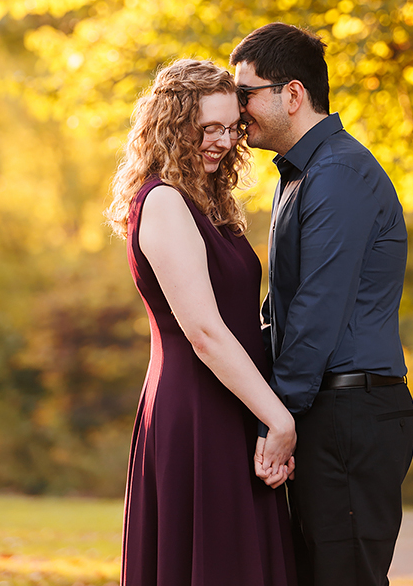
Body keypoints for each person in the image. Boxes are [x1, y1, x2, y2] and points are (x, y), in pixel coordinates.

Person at [230, 24, 413, 586]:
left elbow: (316, 310)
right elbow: (282, 307)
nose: (239, 112)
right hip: (328, 411)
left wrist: (276, 417)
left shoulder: (338, 174)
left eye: (246, 94)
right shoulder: (301, 173)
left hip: (351, 417)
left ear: (292, 94)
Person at [106, 59, 298, 586]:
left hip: (233, 403)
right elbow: (206, 333)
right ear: (172, 125)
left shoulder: (206, 201)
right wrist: (279, 420)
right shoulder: (165, 201)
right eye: (206, 128)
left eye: (231, 127)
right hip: (198, 411)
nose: (221, 141)